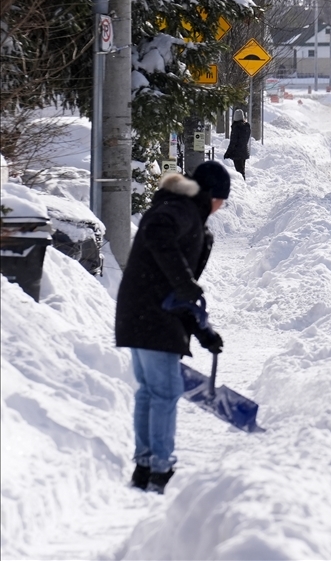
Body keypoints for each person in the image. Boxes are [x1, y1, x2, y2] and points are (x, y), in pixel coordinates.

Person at [114, 161, 229, 494]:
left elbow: (179, 292)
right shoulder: (179, 210)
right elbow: (157, 232)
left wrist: (203, 331)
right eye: (221, 198)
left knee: (150, 392)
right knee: (163, 393)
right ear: (208, 194)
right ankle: (160, 468)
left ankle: (146, 464)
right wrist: (184, 282)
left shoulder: (182, 212)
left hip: (141, 312)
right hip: (152, 317)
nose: (221, 206)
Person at [223, 109, 251, 179]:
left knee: (239, 171)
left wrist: (227, 153)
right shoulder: (246, 127)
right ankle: (243, 183)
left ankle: (242, 185)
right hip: (244, 151)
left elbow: (233, 142)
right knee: (242, 170)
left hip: (237, 153)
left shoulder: (236, 128)